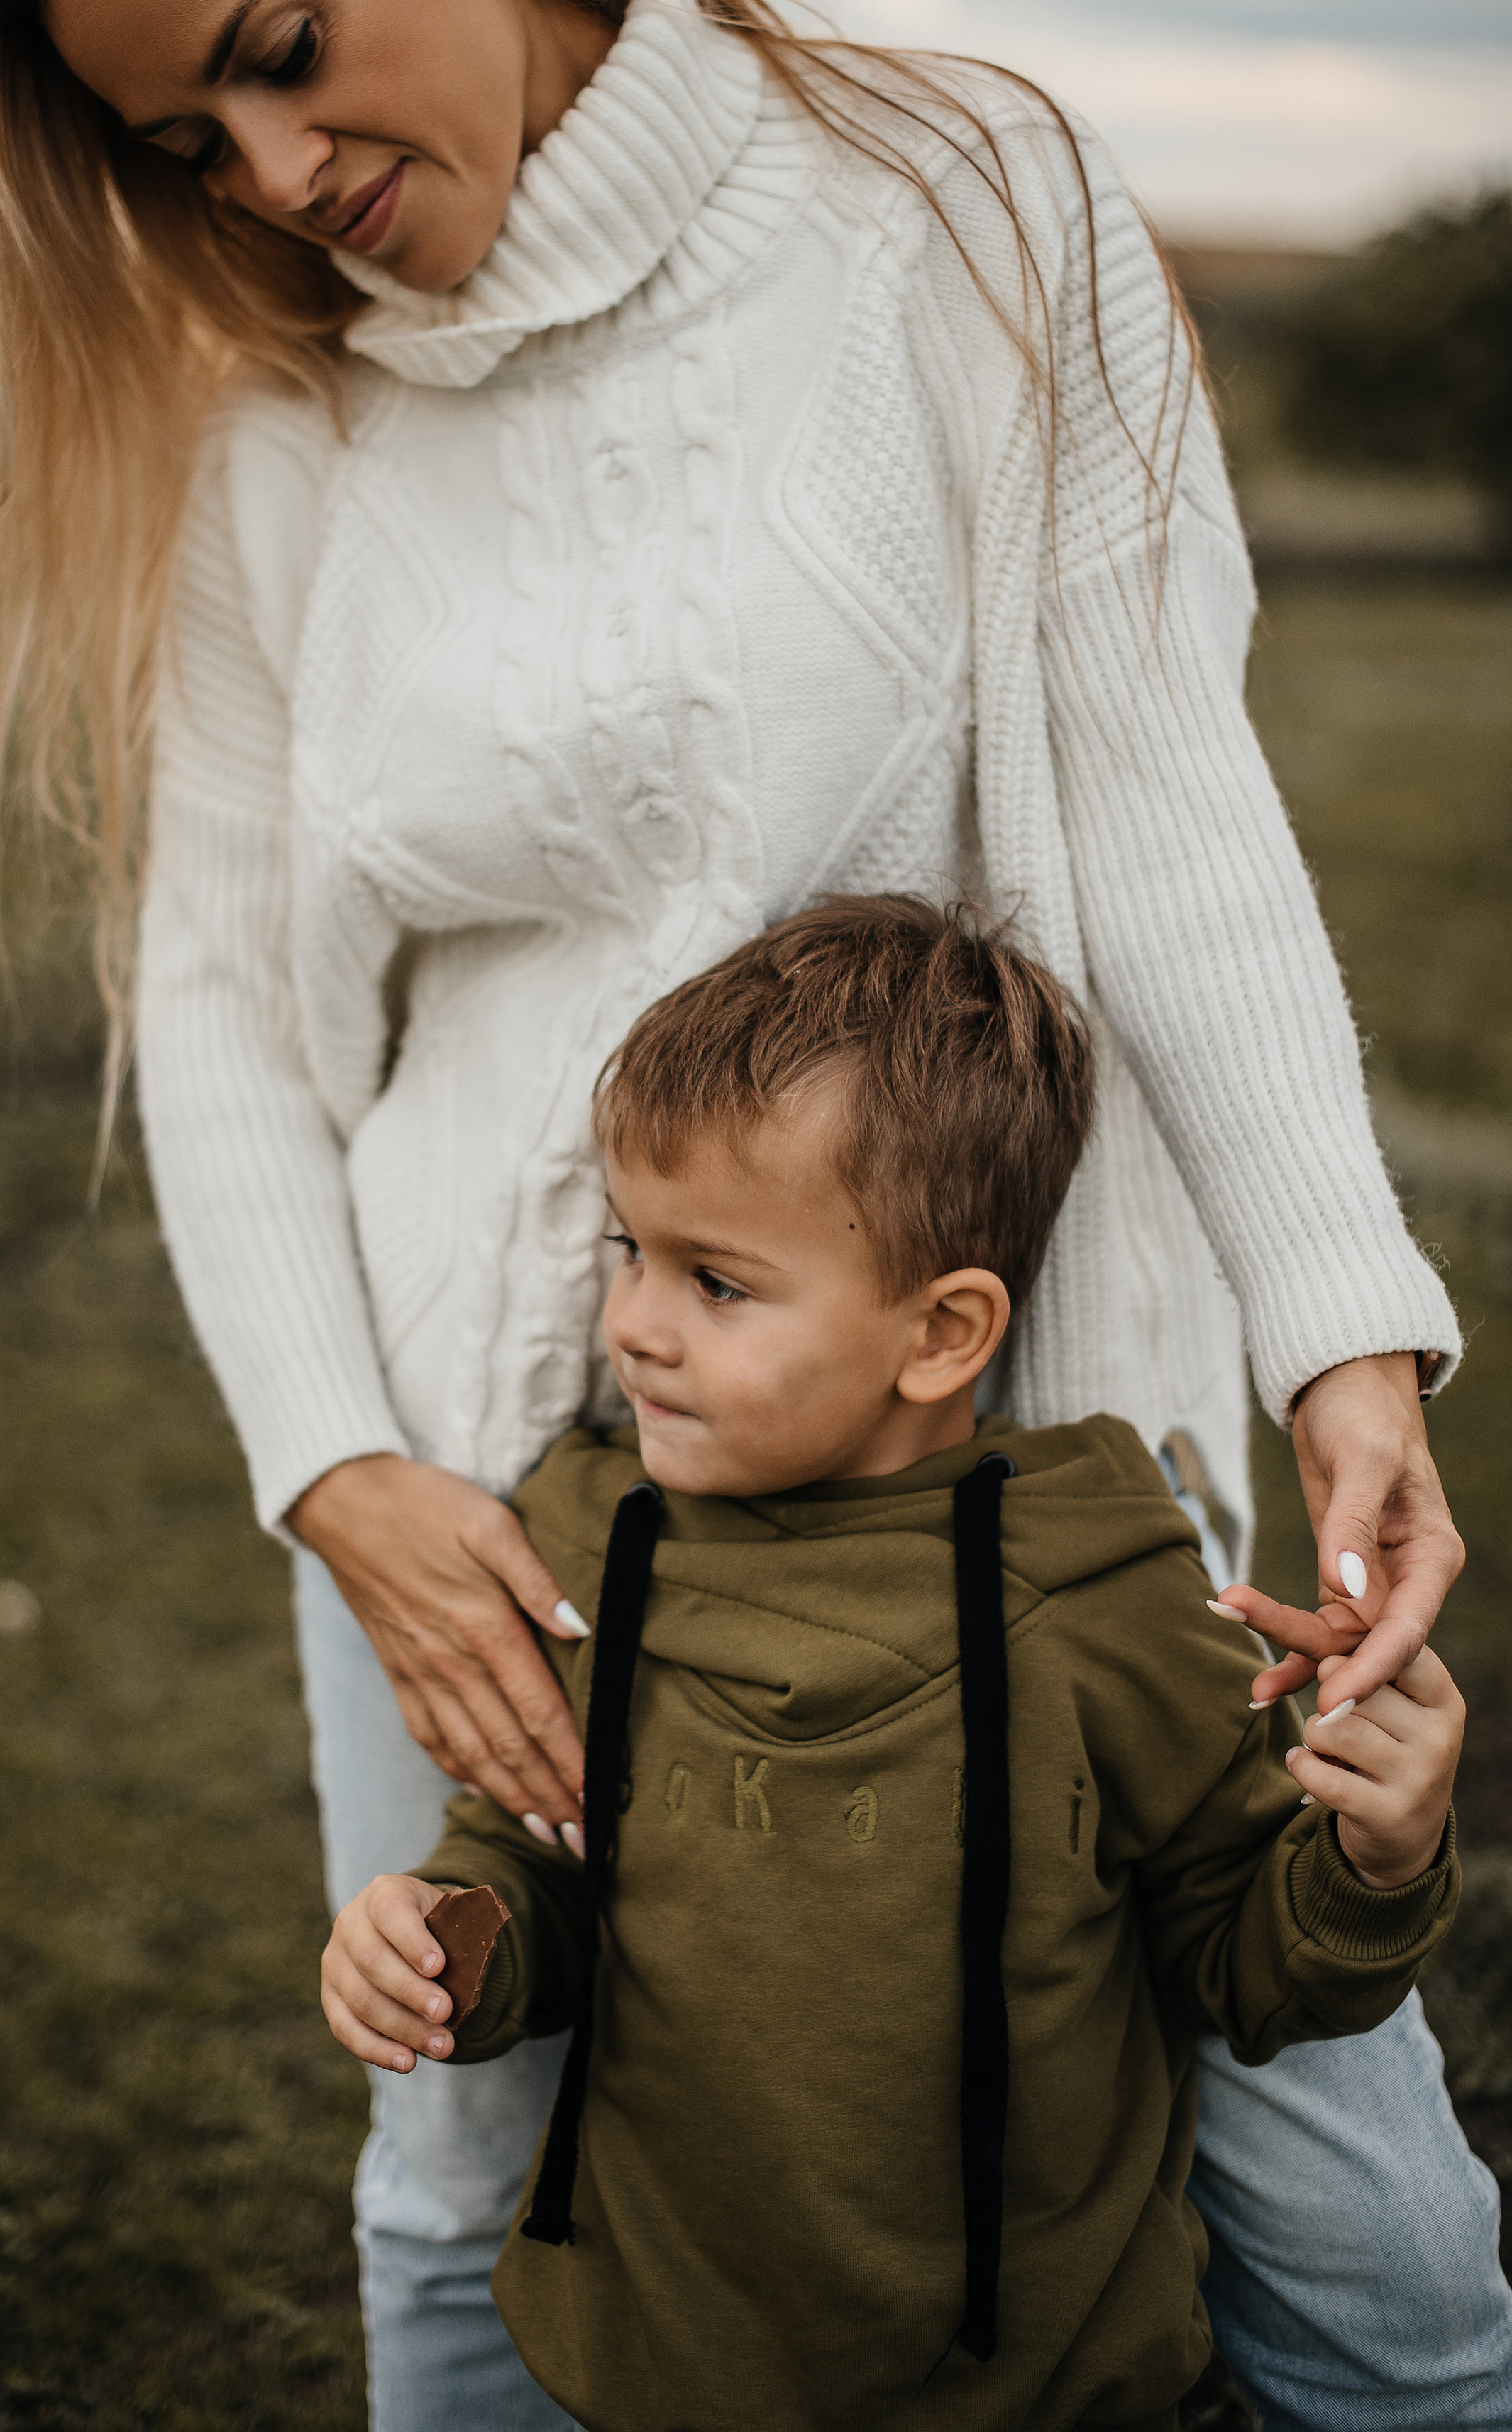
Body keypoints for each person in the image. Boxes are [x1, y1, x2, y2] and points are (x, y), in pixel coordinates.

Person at [0, 0, 1511, 2424]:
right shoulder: (274, 408)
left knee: (1346, 2210)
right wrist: (343, 1475)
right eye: (185, 143)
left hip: (1006, 1433)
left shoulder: (961, 205)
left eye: (281, 50)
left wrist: (1344, 1324)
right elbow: (223, 1011)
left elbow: (1161, 788)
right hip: (470, 1495)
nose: (271, 180)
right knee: (467, 2172)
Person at [321, 896, 1466, 2431]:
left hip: (1037, 2391)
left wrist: (1374, 1859)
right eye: (626, 1252)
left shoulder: (1099, 1595)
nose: (635, 1330)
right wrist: (444, 1935)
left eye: (713, 1283)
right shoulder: (590, 1546)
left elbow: (1241, 1966)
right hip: (663, 2377)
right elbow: (537, 1858)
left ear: (940, 1334)